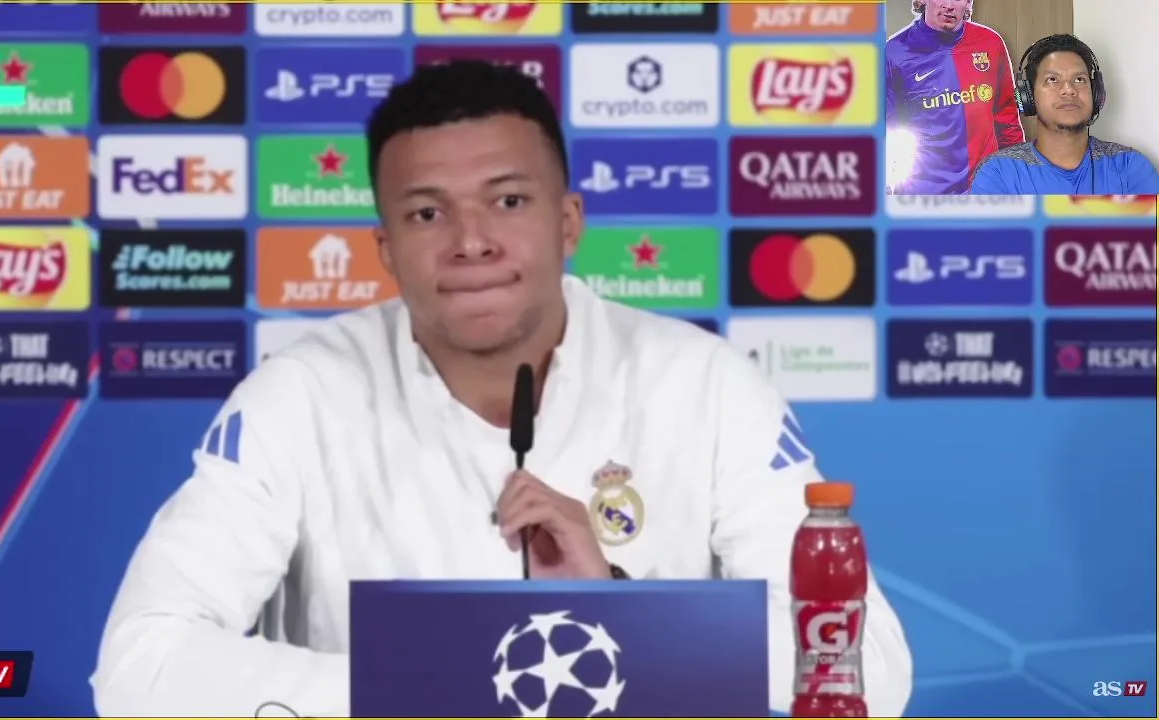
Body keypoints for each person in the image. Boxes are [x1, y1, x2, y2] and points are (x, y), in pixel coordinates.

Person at [90, 61, 913, 717]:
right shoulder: (298, 396)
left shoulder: (706, 385)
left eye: (508, 201)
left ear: (568, 221)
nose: (471, 242)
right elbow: (138, 668)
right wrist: (450, 679)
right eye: (427, 214)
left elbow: (865, 670)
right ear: (384, 248)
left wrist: (621, 612)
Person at [970, 34, 1159, 195]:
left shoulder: (1130, 167)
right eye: (1052, 79)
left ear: (1096, 93)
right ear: (1028, 96)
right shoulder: (998, 173)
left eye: (1080, 79)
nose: (1069, 90)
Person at [885, 0, 1025, 194]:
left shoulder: (991, 42)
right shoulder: (894, 53)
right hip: (924, 194)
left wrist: (1018, 177)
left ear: (968, 2)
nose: (949, 5)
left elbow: (1007, 120)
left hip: (985, 190)